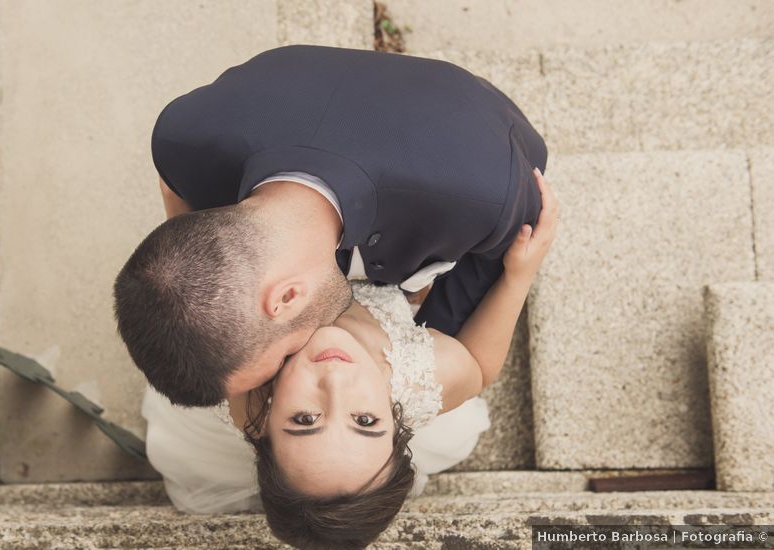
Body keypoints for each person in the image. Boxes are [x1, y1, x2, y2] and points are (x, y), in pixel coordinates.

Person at [142, 169, 558, 549]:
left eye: (304, 419)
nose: (336, 383)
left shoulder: (248, 392)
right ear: (397, 421)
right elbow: (480, 365)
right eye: (365, 421)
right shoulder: (419, 379)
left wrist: (182, 214)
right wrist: (520, 275)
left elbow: (200, 300)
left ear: (263, 422)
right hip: (380, 287)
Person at [114, 44, 547, 408]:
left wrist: (423, 344)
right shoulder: (181, 137)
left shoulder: (486, 193)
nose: (295, 361)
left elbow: (487, 277)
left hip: (465, 122)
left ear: (286, 295)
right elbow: (177, 199)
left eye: (284, 355)